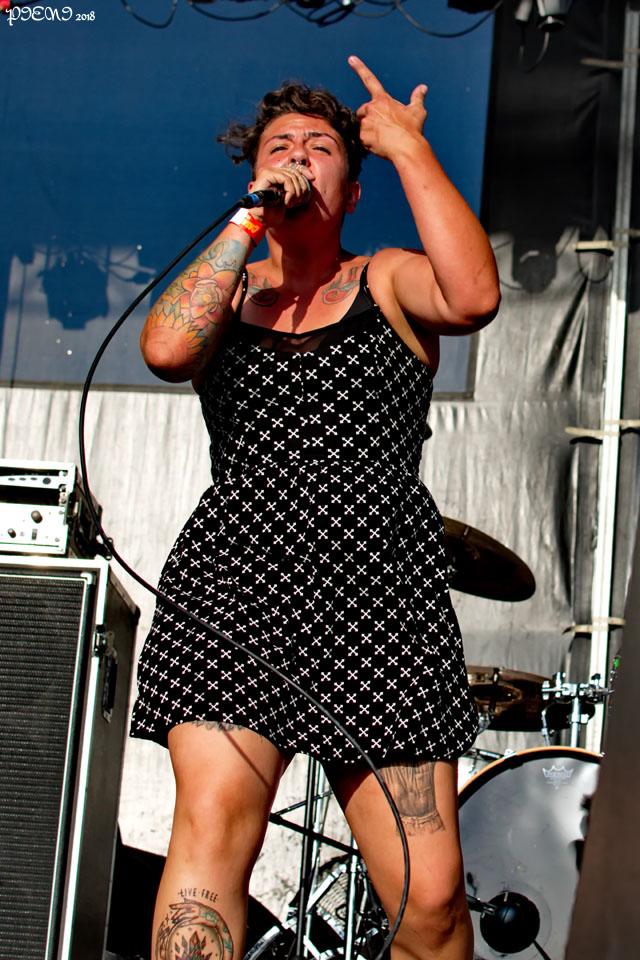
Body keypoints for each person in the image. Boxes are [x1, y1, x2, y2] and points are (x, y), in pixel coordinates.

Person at [130, 55, 500, 960]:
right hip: (235, 588)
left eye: (321, 147)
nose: (298, 155)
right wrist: (249, 217)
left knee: (430, 902)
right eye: (280, 146)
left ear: (353, 190)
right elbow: (166, 351)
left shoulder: (387, 279)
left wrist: (407, 148)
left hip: (381, 594)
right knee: (211, 842)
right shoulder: (230, 291)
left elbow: (473, 296)